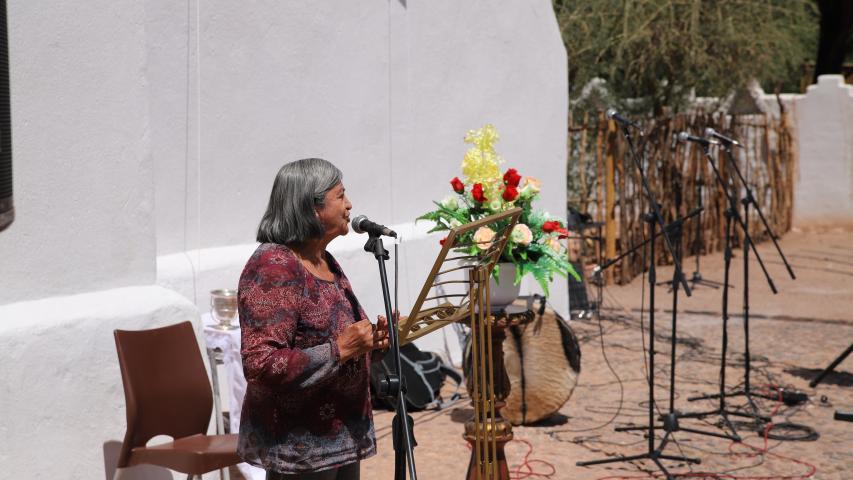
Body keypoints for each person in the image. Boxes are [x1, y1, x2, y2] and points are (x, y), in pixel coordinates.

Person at [238, 158, 390, 480]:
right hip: (299, 447)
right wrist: (340, 349)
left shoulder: (325, 261)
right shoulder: (275, 266)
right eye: (341, 195)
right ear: (313, 208)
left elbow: (345, 340)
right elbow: (261, 362)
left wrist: (373, 341)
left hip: (341, 436)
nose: (350, 205)